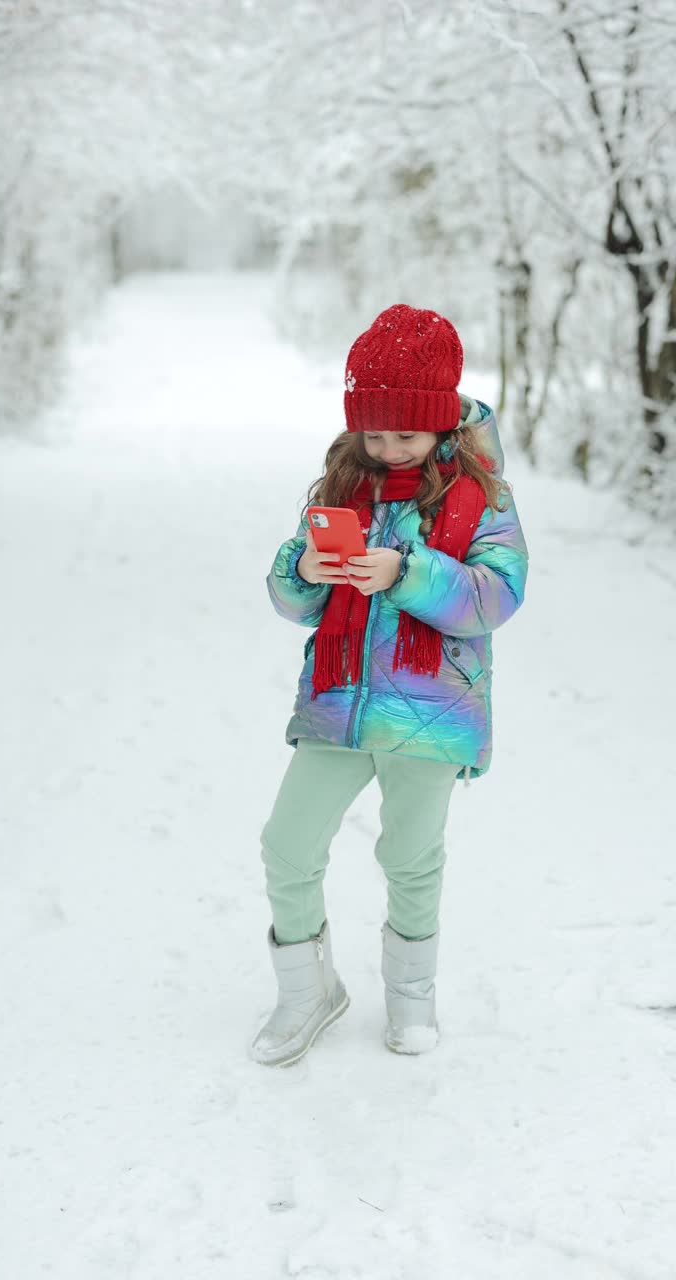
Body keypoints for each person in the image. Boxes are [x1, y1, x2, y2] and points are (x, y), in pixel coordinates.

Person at [252, 303, 528, 1067]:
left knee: (411, 855)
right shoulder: (345, 484)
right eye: (373, 432)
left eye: (404, 432)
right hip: (339, 704)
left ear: (440, 423)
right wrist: (301, 570)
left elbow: (496, 598)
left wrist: (408, 574)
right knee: (287, 845)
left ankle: (412, 998)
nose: (385, 446)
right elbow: (293, 603)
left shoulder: (485, 498)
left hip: (433, 711)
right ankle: (307, 992)